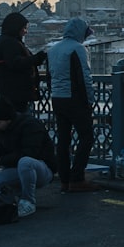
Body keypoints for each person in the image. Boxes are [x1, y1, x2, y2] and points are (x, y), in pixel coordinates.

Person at [0, 99, 58, 218]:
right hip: (17, 169)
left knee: (25, 162)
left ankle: (28, 201)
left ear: (8, 120)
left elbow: (30, 153)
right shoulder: (1, 130)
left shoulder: (31, 125)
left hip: (41, 168)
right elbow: (3, 152)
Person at [48, 17, 100, 193]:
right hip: (74, 99)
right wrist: (89, 102)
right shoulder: (78, 49)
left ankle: (64, 180)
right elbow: (84, 78)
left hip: (57, 98)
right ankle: (77, 178)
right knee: (87, 137)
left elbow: (50, 77)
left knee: (63, 140)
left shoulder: (52, 49)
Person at [0, 12, 47, 114]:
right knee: (19, 124)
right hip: (15, 95)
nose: (25, 32)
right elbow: (15, 63)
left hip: (14, 94)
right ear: (15, 28)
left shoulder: (10, 41)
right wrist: (36, 59)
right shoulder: (9, 42)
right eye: (24, 28)